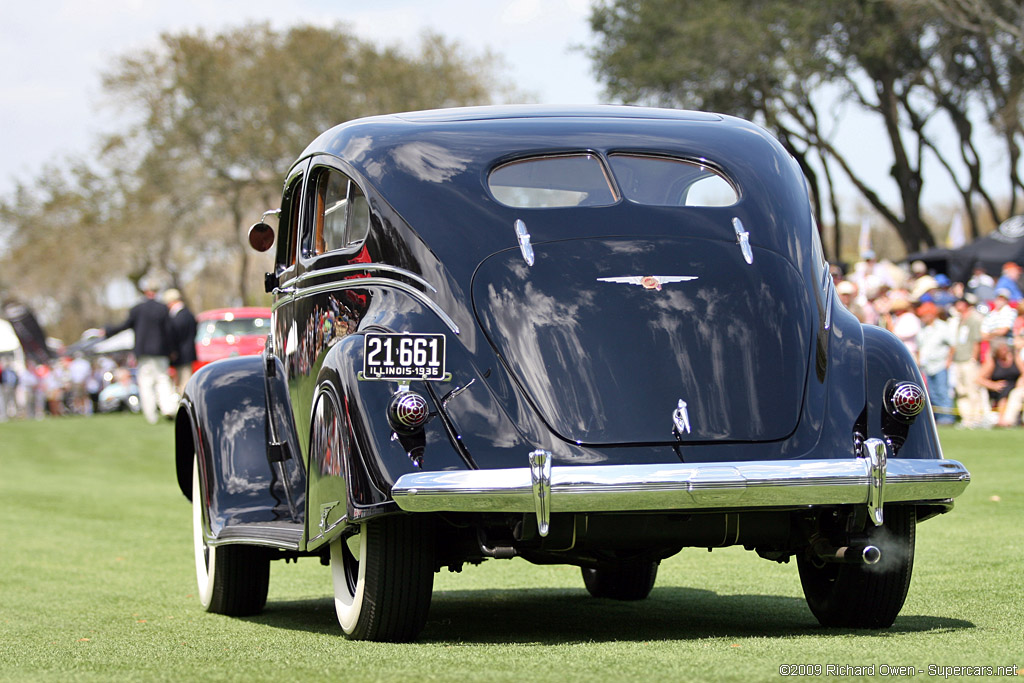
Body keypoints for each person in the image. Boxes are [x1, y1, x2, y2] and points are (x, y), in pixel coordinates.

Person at [103, 278, 176, 424]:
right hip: (160, 352)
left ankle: (151, 415)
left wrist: (108, 331)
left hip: (143, 352)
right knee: (162, 379)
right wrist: (172, 350)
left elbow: (125, 325)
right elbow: (169, 332)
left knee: (146, 382)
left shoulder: (137, 308)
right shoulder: (162, 308)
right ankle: (168, 409)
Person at [915, 302, 955, 425]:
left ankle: (947, 418)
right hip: (927, 366)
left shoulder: (943, 327)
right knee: (932, 393)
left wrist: (948, 361)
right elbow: (920, 347)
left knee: (942, 391)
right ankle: (938, 417)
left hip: (940, 364)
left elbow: (952, 345)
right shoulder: (923, 329)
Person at [950, 298, 987, 428]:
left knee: (972, 389)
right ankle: (966, 418)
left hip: (968, 359)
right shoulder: (960, 319)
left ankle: (977, 417)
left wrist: (973, 358)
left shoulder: (974, 319)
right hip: (959, 359)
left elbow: (977, 340)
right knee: (961, 390)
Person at [978, 340, 1024, 427]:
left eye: (1005, 349)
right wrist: (992, 385)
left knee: (1014, 393)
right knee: (1004, 391)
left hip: (1014, 386)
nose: (1005, 351)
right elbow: (978, 379)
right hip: (998, 389)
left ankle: (1006, 420)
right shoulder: (992, 361)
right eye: (1002, 349)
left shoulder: (1015, 358)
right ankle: (1002, 420)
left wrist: (1021, 380)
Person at [163, 288, 197, 396]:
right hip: (187, 353)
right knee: (183, 380)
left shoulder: (179, 317)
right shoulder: (189, 314)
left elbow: (175, 336)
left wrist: (172, 350)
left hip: (181, 354)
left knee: (184, 382)